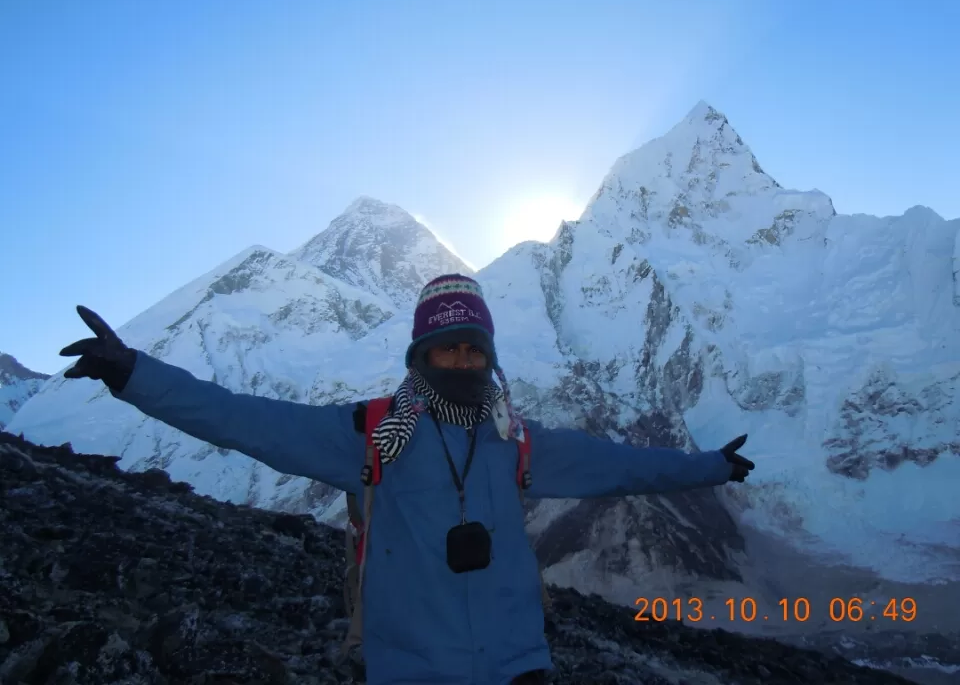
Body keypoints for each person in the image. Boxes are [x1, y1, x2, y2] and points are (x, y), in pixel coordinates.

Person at [59, 273, 755, 685]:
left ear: (487, 356)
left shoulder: (516, 441)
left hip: (519, 666)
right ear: (419, 356)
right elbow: (243, 419)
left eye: (472, 347)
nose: (460, 358)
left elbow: (624, 466)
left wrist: (712, 467)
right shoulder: (369, 438)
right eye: (445, 346)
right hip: (415, 672)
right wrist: (133, 375)